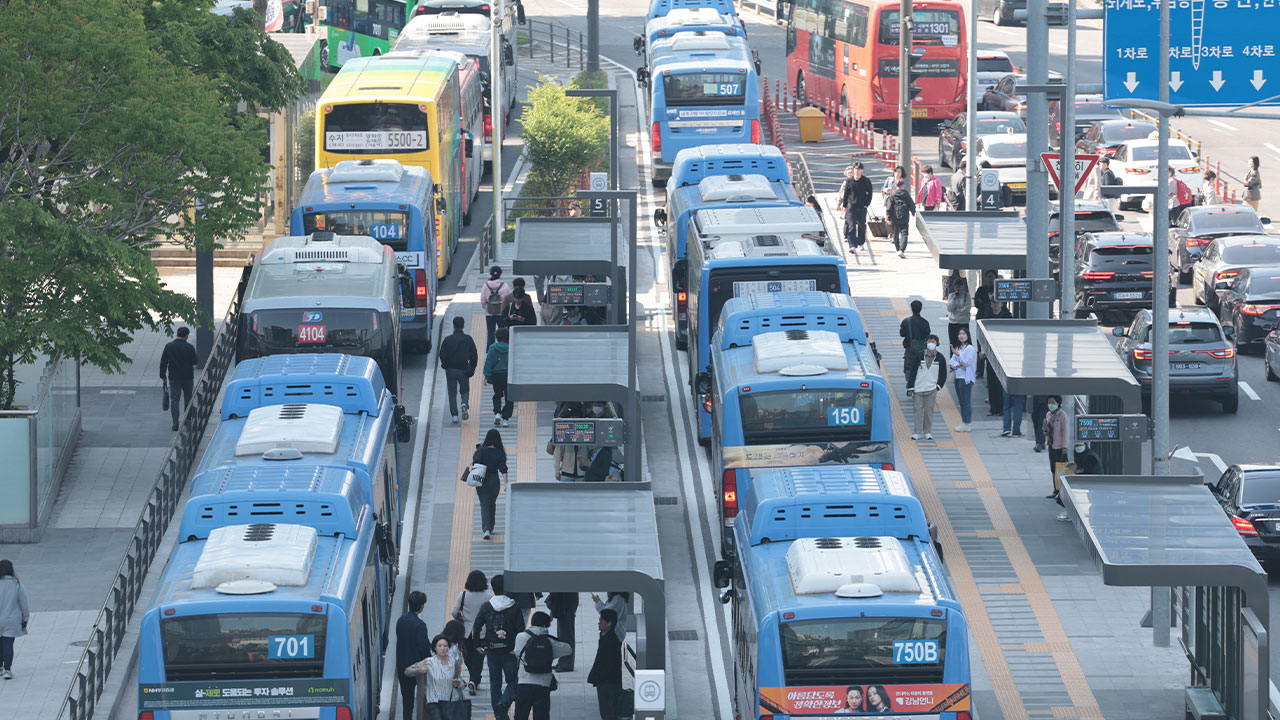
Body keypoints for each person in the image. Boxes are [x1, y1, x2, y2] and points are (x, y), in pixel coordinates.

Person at [473, 574, 526, 720]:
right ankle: (503, 704)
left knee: (495, 682)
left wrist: (477, 644)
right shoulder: (514, 606)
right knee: (512, 681)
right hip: (509, 650)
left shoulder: (487, 606)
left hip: (492, 650)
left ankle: (498, 714)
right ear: (507, 589)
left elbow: (476, 626)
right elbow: (521, 629)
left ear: (493, 588)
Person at [511, 611, 572, 720]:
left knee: (520, 716)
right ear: (545, 625)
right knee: (541, 716)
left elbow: (516, 652)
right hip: (543, 686)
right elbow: (568, 649)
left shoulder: (520, 637)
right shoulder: (549, 641)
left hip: (524, 684)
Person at [405, 635, 464, 720]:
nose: (442, 648)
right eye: (440, 646)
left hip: (450, 701)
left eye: (445, 646)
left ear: (448, 648)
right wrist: (419, 670)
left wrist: (458, 683)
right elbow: (407, 671)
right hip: (433, 701)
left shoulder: (453, 662)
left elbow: (458, 678)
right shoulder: (428, 662)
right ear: (435, 648)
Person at [452, 570, 492, 693]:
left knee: (468, 657)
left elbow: (454, 612)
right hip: (483, 632)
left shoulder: (463, 595)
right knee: (479, 658)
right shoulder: (488, 596)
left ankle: (474, 679)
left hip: (466, 632)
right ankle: (474, 680)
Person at [396, 590, 433, 720]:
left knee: (407, 701)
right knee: (423, 697)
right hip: (417, 667)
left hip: (402, 666)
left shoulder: (400, 620)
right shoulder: (420, 625)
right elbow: (423, 647)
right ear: (422, 606)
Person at [905, 334, 947, 441]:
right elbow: (913, 371)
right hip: (918, 388)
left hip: (931, 389)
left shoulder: (940, 358)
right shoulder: (919, 356)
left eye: (933, 342)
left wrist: (938, 386)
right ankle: (917, 432)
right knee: (917, 410)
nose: (931, 343)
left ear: (937, 344)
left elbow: (943, 374)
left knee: (929, 411)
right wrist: (910, 387)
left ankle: (928, 431)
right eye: (929, 341)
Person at [439, 316, 479, 423]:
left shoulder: (448, 340)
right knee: (465, 389)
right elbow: (474, 355)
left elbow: (442, 354)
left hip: (450, 370)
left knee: (452, 392)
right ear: (463, 326)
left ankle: (454, 416)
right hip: (463, 369)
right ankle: (464, 403)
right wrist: (472, 367)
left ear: (453, 326)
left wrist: (445, 365)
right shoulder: (468, 339)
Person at [159, 326, 199, 432]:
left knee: (175, 400)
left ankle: (175, 424)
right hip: (187, 377)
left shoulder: (169, 346)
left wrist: (163, 376)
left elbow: (163, 362)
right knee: (188, 399)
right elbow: (195, 361)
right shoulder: (189, 347)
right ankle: (187, 420)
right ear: (186, 336)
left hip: (174, 378)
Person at [472, 429, 508, 540]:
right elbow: (503, 469)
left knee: (484, 504)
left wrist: (477, 450)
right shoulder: (500, 453)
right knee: (492, 503)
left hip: (481, 480)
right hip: (494, 481)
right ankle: (491, 526)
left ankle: (487, 529)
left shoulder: (481, 451)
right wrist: (506, 484)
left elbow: (475, 463)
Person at [588, 608, 623, 720]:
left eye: (601, 620)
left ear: (609, 623)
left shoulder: (610, 641)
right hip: (606, 682)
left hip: (608, 683)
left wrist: (598, 677)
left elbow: (606, 663)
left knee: (608, 713)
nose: (599, 622)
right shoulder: (605, 637)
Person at [979, 299, 1012, 414]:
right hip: (990, 353)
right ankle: (994, 408)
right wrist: (982, 351)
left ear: (1002, 304)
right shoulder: (987, 317)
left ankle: (1003, 407)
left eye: (998, 302)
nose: (995, 305)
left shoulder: (1007, 317)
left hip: (1004, 353)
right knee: (991, 382)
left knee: (1001, 382)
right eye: (993, 302)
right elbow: (983, 336)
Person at [0, 560, 29, 680]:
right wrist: (25, 618)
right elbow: (24, 604)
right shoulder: (17, 585)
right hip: (12, 620)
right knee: (8, 644)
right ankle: (7, 669)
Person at [837, 162, 874, 248]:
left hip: (862, 206)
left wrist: (867, 204)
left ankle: (861, 243)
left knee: (861, 226)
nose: (857, 171)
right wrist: (845, 206)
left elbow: (870, 193)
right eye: (855, 169)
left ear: (862, 170)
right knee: (851, 225)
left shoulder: (866, 180)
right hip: (851, 206)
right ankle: (852, 245)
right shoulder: (849, 181)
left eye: (859, 169)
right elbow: (846, 193)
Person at [483, 328, 514, 427]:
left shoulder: (492, 348)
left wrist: (486, 376)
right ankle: (505, 419)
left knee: (497, 395)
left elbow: (488, 362)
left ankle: (497, 413)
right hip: (508, 375)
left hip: (496, 375)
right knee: (509, 397)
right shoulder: (511, 348)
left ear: (496, 337)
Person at [948, 327, 976, 432]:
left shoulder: (970, 349)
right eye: (960, 334)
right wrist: (958, 363)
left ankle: (967, 423)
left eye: (963, 334)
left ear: (968, 335)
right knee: (961, 401)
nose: (961, 335)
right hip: (958, 377)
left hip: (966, 378)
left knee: (966, 401)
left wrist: (958, 356)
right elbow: (952, 362)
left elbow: (966, 362)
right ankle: (964, 421)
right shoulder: (958, 348)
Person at [1043, 395, 1069, 501]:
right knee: (1053, 469)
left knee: (1061, 469)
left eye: (1053, 402)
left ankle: (1062, 491)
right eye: (1049, 402)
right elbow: (1048, 428)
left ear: (1058, 403)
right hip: (1051, 445)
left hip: (1060, 447)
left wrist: (1064, 446)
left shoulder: (1063, 415)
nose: (1051, 405)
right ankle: (1055, 490)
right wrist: (1045, 431)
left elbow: (1065, 432)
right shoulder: (1048, 414)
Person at [545, 592, 579, 671]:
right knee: (563, 636)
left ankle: (566, 663)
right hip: (564, 607)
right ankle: (563, 661)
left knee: (566, 636)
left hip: (565, 608)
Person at [481, 266, 511, 348]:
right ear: (500, 274)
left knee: (490, 333)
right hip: (501, 313)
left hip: (489, 313)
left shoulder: (486, 285)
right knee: (503, 332)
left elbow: (483, 300)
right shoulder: (505, 285)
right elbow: (508, 300)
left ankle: (490, 351)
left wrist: (487, 308)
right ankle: (504, 348)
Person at [899, 300, 931, 377]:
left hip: (910, 349)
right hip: (921, 350)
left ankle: (910, 385)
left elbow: (902, 334)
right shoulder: (925, 322)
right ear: (921, 308)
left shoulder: (906, 321)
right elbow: (928, 335)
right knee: (922, 369)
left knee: (909, 370)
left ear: (911, 308)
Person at [886, 179, 916, 258]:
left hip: (895, 216)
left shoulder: (892, 195)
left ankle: (898, 249)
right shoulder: (906, 194)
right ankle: (902, 250)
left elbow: (889, 207)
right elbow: (912, 204)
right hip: (904, 216)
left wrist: (888, 218)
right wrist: (913, 212)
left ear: (896, 186)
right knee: (904, 233)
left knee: (895, 233)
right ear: (903, 185)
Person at [945, 273, 971, 348]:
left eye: (959, 286)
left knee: (964, 343)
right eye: (956, 286)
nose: (958, 288)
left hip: (963, 322)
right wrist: (953, 299)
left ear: (962, 286)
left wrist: (957, 311)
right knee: (953, 343)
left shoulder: (967, 296)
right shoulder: (951, 296)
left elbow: (966, 309)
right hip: (953, 322)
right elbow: (950, 309)